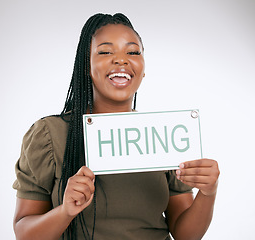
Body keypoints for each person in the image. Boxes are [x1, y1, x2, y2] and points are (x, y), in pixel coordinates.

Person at [13, 13, 220, 240]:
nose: (121, 60)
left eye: (132, 52)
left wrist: (208, 193)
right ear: (85, 65)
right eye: (105, 52)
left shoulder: (163, 135)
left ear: (143, 67)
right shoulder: (50, 135)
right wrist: (65, 211)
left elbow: (185, 234)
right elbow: (25, 233)